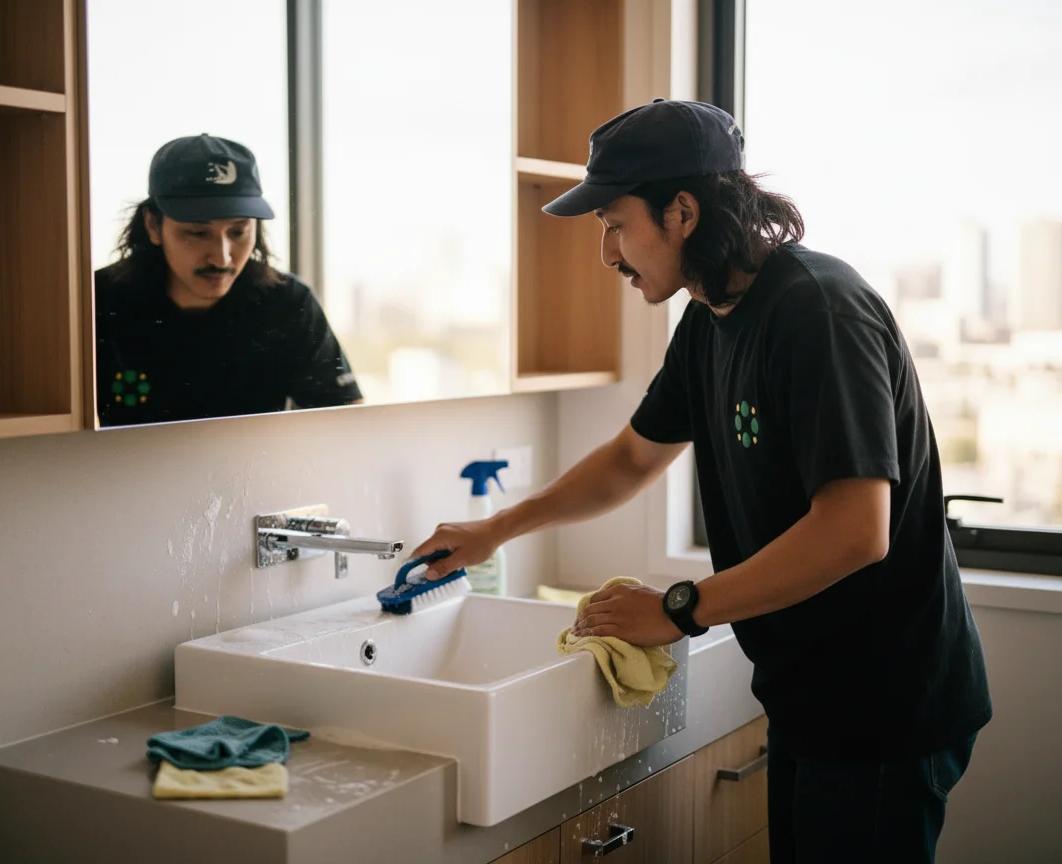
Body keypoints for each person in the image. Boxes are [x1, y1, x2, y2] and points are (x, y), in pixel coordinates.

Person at [412, 99, 991, 863]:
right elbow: (630, 459)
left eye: (616, 225)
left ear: (681, 211)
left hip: (883, 706)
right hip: (811, 699)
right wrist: (497, 529)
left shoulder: (816, 309)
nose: (608, 254)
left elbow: (856, 530)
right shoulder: (711, 320)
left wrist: (680, 609)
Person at [95, 134, 361, 427]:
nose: (221, 258)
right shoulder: (98, 301)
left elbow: (346, 421)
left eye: (238, 232)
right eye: (197, 233)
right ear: (153, 225)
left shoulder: (287, 302)